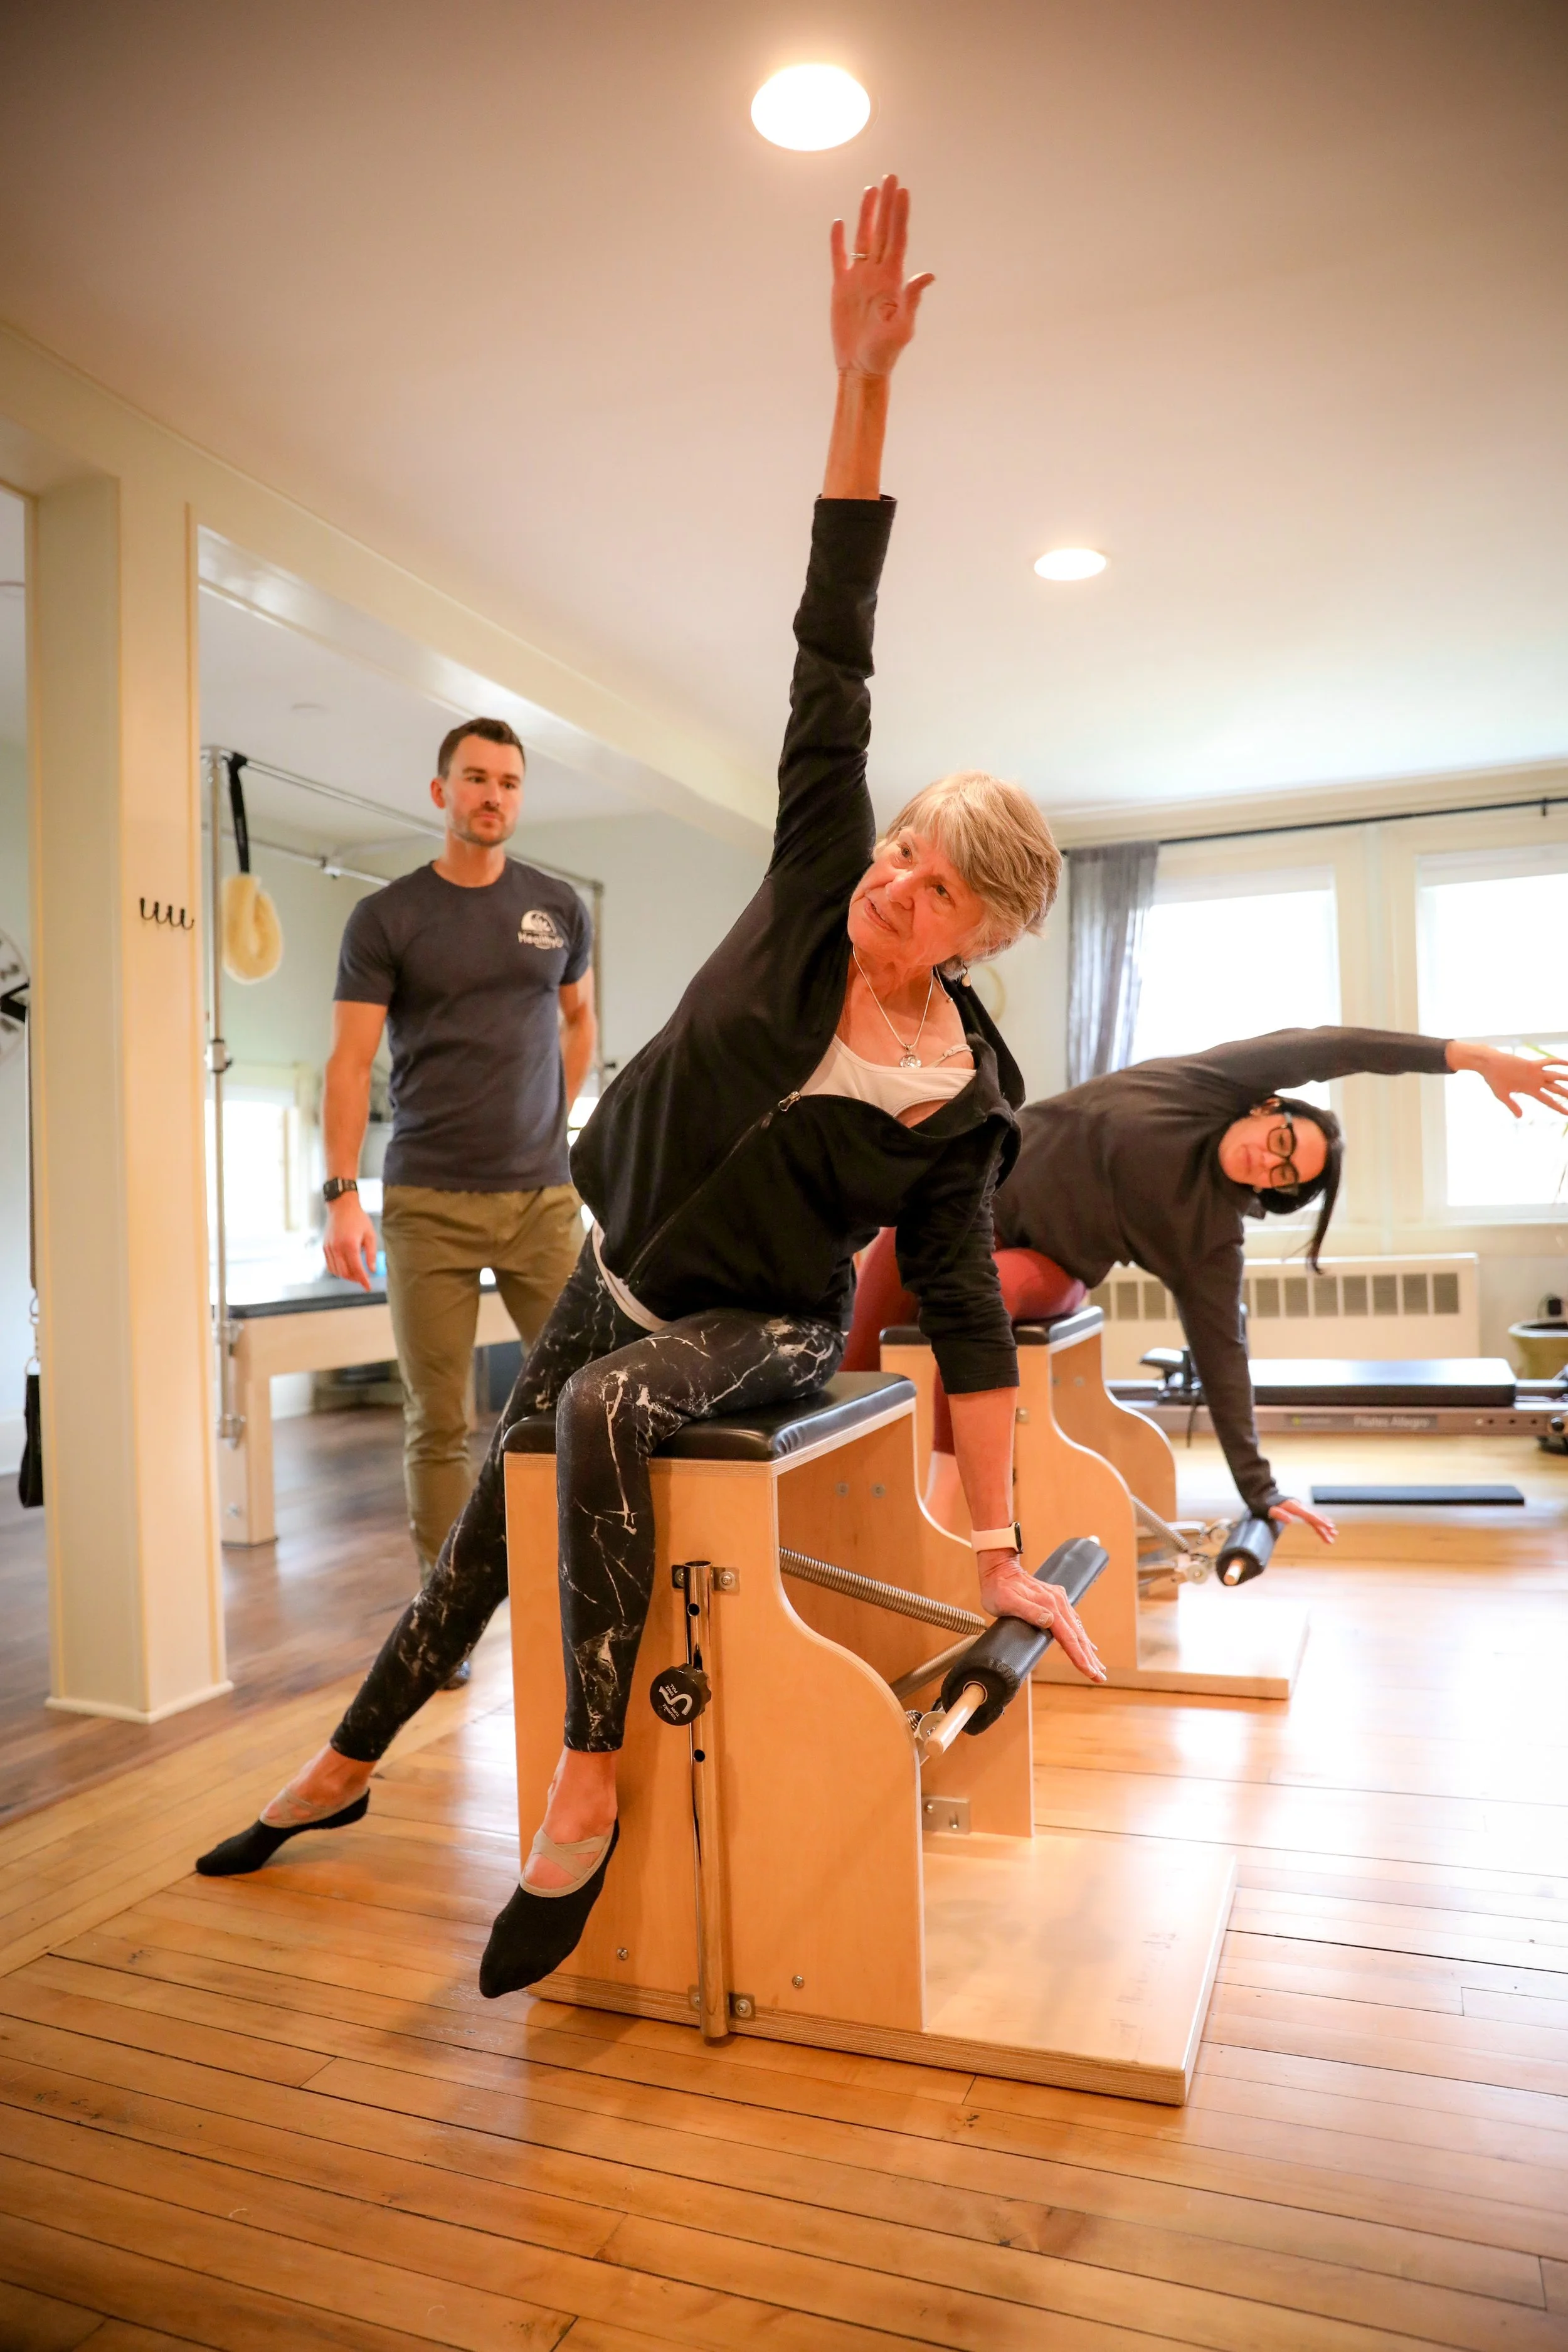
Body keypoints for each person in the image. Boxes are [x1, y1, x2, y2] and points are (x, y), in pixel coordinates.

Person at [195, 175, 1106, 1989]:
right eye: (900, 843)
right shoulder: (808, 882)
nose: (889, 880)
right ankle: (342, 1764)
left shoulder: (959, 1100)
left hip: (759, 1323)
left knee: (605, 1421)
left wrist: (995, 1539)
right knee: (477, 1542)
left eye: (929, 885)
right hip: (613, 1269)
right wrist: (861, 387)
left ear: (978, 937)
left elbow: (952, 1309)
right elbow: (830, 635)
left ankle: (587, 1773)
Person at [845, 1028, 1568, 1540]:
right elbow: (1332, 1047)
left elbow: (1224, 1357)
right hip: (960, 1201)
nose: (1269, 1161)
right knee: (854, 1360)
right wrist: (1467, 1058)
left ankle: (952, 1496)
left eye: (1286, 1176)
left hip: (1044, 1267)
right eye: (1283, 1142)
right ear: (1270, 1108)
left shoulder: (1210, 1238)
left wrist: (1261, 1491)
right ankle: (834, 1493)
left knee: (980, 1291)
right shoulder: (1208, 1084)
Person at [322, 716, 596, 1679]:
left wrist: (550, 1120)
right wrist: (340, 1196)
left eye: (510, 782)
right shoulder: (388, 918)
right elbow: (351, 1063)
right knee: (438, 1418)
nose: (495, 796)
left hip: (542, 1201)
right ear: (440, 792)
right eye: (476, 779)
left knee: (591, 1396)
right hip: (426, 1201)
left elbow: (579, 1016)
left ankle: (590, 1592)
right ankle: (446, 1628)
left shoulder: (558, 908)